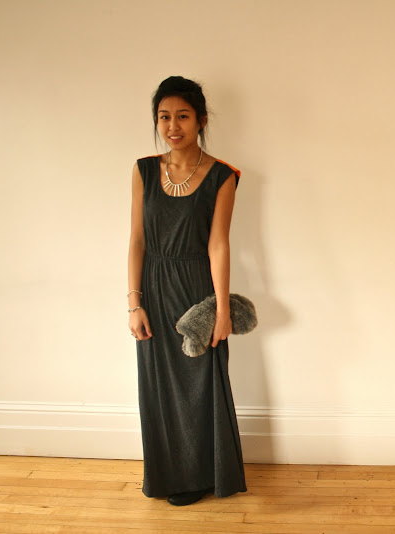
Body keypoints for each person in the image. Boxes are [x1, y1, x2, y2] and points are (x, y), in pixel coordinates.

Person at [127, 75, 247, 506]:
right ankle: (168, 477)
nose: (172, 126)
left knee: (201, 385)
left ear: (201, 120)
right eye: (164, 117)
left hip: (198, 292)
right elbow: (137, 240)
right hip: (154, 291)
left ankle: (204, 476)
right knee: (159, 388)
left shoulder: (222, 176)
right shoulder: (143, 170)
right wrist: (134, 303)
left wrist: (222, 310)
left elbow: (218, 245)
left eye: (182, 116)